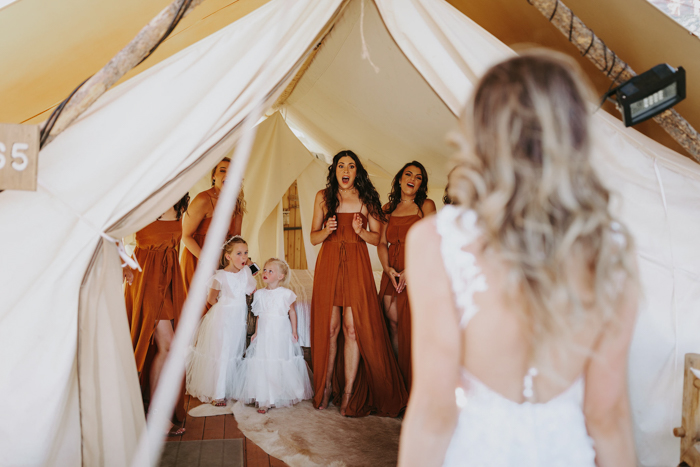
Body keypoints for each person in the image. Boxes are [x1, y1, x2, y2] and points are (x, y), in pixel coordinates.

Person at [399, 50, 638, 467]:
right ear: (574, 136)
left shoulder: (437, 241)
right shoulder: (613, 250)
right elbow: (608, 417)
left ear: (481, 133)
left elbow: (435, 413)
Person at [309, 150, 408, 417]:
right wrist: (327, 230)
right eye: (341, 165)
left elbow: (378, 239)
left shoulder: (366, 199)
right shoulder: (323, 197)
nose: (346, 170)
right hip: (329, 263)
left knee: (353, 329)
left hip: (357, 263)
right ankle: (327, 386)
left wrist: (360, 231)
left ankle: (350, 393)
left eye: (351, 166)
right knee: (331, 328)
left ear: (357, 172)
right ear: (335, 170)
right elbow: (313, 238)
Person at [124, 192, 190, 435]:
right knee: (166, 345)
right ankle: (154, 415)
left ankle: (154, 412)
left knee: (167, 347)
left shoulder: (180, 206)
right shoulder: (144, 202)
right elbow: (111, 232)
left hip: (170, 278)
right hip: (146, 280)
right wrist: (123, 264)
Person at [377, 162, 436, 391]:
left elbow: (433, 239)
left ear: (421, 184)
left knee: (413, 326)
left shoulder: (426, 206)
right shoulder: (387, 208)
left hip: (417, 270)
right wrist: (387, 269)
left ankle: (417, 387)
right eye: (408, 174)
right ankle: (399, 385)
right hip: (391, 270)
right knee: (392, 324)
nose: (412, 178)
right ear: (400, 179)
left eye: (418, 177)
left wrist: (413, 269)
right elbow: (382, 243)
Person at [232, 258, 313, 414]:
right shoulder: (260, 294)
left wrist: (294, 331)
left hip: (280, 331)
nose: (265, 273)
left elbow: (292, 312)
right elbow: (259, 315)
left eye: (271, 271)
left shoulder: (286, 294)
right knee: (264, 360)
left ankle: (278, 394)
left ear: (280, 276)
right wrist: (256, 332)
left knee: (278, 360)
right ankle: (265, 398)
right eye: (264, 270)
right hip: (264, 332)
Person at [185, 236, 256, 406]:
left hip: (238, 320)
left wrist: (250, 263)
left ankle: (227, 388)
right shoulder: (220, 276)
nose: (243, 257)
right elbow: (211, 299)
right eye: (239, 253)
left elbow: (252, 282)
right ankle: (218, 393)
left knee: (233, 353)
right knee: (222, 354)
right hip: (223, 318)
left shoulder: (246, 272)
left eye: (246, 253)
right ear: (228, 256)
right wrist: (224, 309)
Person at [180, 157, 247, 291]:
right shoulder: (203, 199)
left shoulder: (237, 202)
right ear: (213, 176)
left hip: (223, 260)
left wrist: (241, 260)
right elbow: (185, 236)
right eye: (222, 170)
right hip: (198, 259)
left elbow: (236, 238)